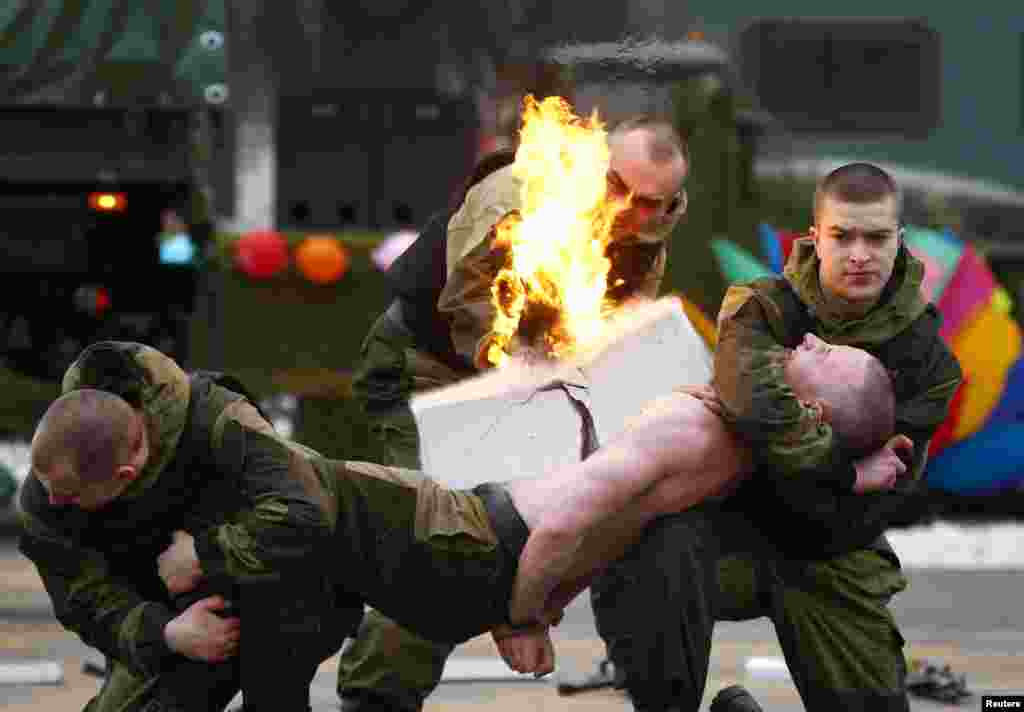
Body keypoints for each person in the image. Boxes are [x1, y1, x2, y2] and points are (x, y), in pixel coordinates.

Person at [25, 332, 899, 712]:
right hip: (480, 547)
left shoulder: (702, 427)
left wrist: (518, 613)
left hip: (477, 546)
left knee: (321, 508)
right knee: (320, 545)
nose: (804, 344)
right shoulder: (741, 439)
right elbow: (615, 521)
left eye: (823, 358)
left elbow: (576, 524)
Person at [338, 114, 689, 712]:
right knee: (441, 540)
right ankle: (375, 700)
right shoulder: (517, 195)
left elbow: (619, 330)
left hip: (530, 385)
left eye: (652, 202)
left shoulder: (651, 227)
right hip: (427, 371)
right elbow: (470, 308)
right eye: (618, 189)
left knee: (544, 524)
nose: (632, 211)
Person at [587, 162, 963, 712]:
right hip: (725, 535)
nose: (860, 253)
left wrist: (771, 450)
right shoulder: (759, 307)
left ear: (899, 240)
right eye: (843, 235)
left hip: (833, 554)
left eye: (876, 237)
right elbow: (755, 405)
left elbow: (863, 508)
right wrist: (843, 469)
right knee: (647, 543)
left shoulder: (928, 362)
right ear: (816, 237)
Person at [19, 342, 355, 712]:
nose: (54, 502)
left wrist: (202, 555)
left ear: (123, 476)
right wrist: (166, 634)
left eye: (69, 496)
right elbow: (82, 598)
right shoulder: (55, 478)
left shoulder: (221, 422)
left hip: (274, 599)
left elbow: (309, 514)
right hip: (169, 620)